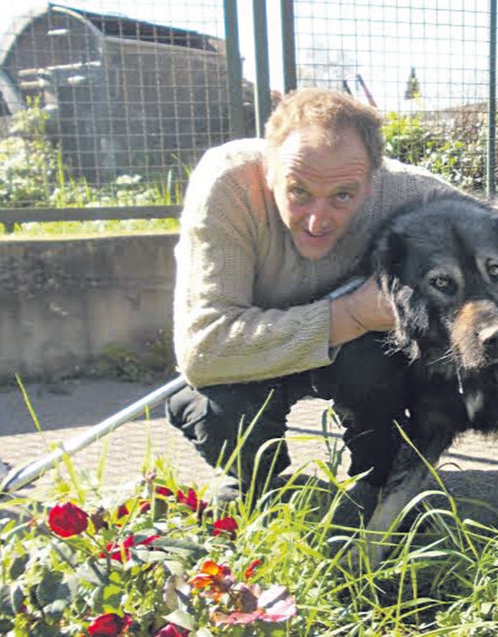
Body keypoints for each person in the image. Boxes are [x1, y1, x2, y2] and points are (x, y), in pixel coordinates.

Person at [165, 87, 456, 506]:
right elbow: (204, 349)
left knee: (378, 363)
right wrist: (354, 314)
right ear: (268, 171)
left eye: (343, 195)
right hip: (251, 355)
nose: (317, 221)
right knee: (218, 406)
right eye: (299, 191)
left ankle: (381, 478)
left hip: (354, 354)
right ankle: (255, 481)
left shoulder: (412, 191)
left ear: (373, 181)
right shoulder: (225, 185)